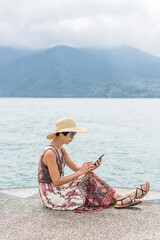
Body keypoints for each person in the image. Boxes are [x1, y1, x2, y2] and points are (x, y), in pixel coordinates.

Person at [38, 117, 149, 212]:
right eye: (72, 135)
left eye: (74, 134)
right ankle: (126, 196)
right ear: (62, 133)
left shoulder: (61, 149)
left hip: (58, 189)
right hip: (51, 194)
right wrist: (82, 171)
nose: (73, 138)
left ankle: (122, 197)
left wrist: (90, 167)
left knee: (88, 175)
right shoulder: (50, 153)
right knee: (85, 176)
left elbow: (76, 168)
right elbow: (57, 181)